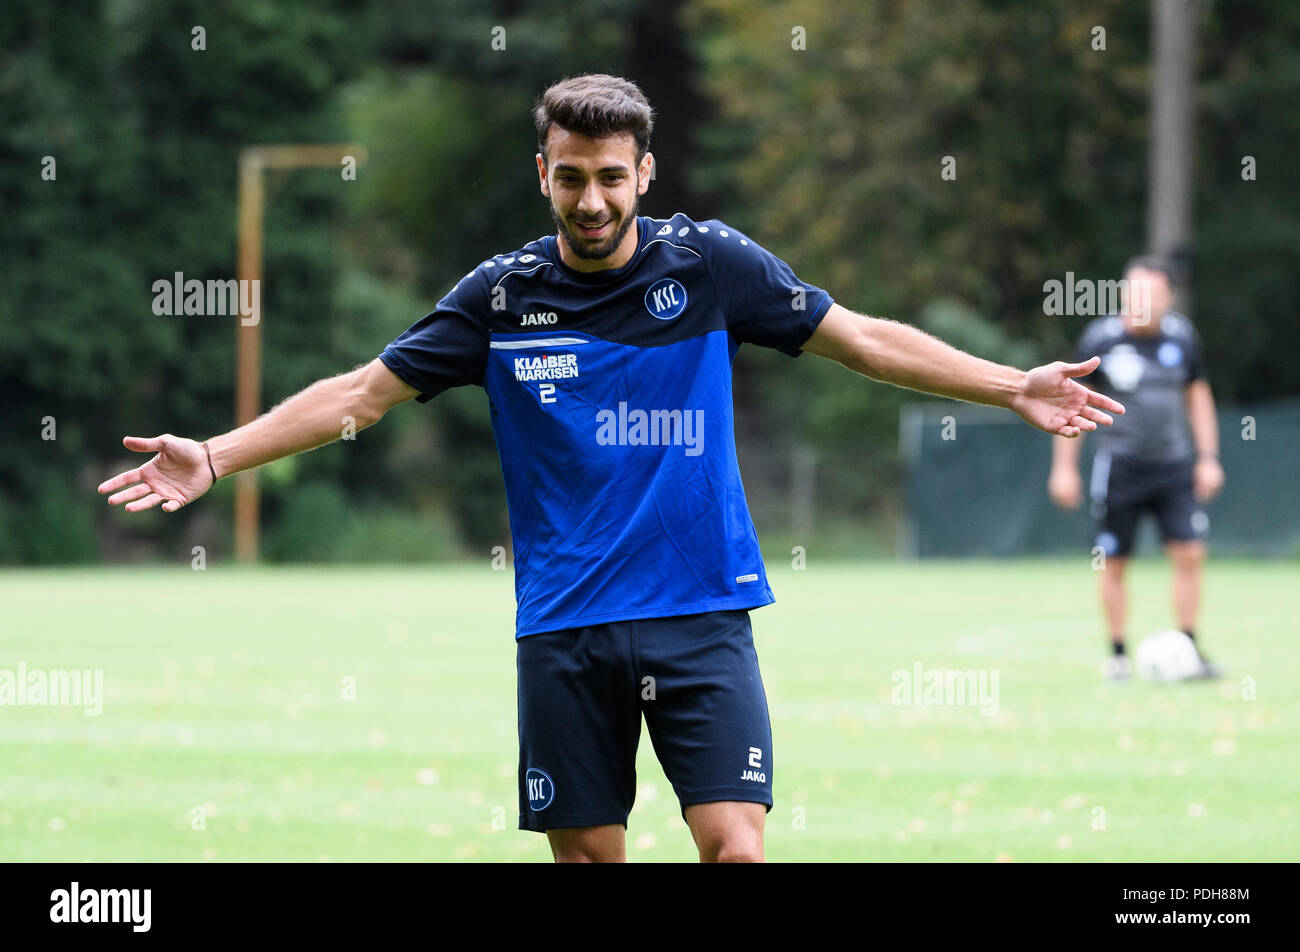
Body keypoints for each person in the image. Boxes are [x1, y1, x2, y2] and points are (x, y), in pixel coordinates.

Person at [98, 73, 1123, 862]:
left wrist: (1008, 386)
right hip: (565, 620)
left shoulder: (712, 264)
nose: (592, 199)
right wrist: (219, 456)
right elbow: (359, 395)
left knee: (737, 844)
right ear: (543, 172)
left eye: (611, 176)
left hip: (698, 606)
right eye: (571, 175)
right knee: (590, 855)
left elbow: (857, 338)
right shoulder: (497, 300)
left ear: (645, 174)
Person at [1048, 256, 1224, 680]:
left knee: (1190, 554)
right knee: (1113, 561)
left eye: (1150, 293)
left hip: (1174, 466)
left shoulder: (1182, 338)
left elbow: (1198, 399)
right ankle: (1118, 655)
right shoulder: (1101, 339)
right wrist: (1064, 468)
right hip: (1120, 468)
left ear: (1167, 298)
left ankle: (1189, 649)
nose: (1139, 301)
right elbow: (1072, 403)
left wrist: (1208, 458)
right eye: (1132, 292)